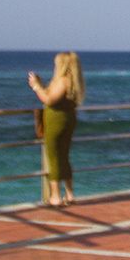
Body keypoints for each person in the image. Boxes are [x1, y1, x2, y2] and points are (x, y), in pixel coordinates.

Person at [28, 51, 85, 207]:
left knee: (53, 156)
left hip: (56, 120)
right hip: (68, 119)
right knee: (64, 155)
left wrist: (36, 87)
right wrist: (42, 86)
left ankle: (55, 196)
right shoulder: (74, 81)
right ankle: (69, 194)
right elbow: (55, 96)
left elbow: (49, 99)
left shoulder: (62, 80)